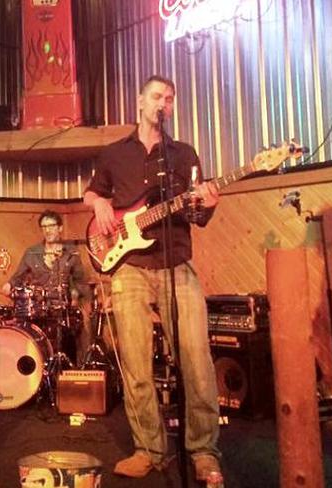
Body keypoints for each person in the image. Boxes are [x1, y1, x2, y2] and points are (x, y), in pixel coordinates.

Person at [82, 75, 222, 481]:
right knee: (135, 363)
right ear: (141, 101)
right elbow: (91, 192)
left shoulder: (183, 154)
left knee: (196, 360)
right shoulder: (113, 153)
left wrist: (208, 204)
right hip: (129, 267)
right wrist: (100, 203)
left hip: (176, 262)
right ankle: (149, 448)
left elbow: (196, 215)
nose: (164, 103)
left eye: (170, 99)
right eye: (158, 96)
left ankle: (203, 451)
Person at [1, 209, 90, 363]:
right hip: (37, 310)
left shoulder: (72, 253)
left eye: (51, 226)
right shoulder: (32, 253)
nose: (47, 230)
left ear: (60, 228)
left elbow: (81, 282)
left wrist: (75, 294)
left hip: (63, 311)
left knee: (80, 330)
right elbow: (16, 278)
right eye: (44, 227)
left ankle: (73, 366)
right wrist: (8, 285)